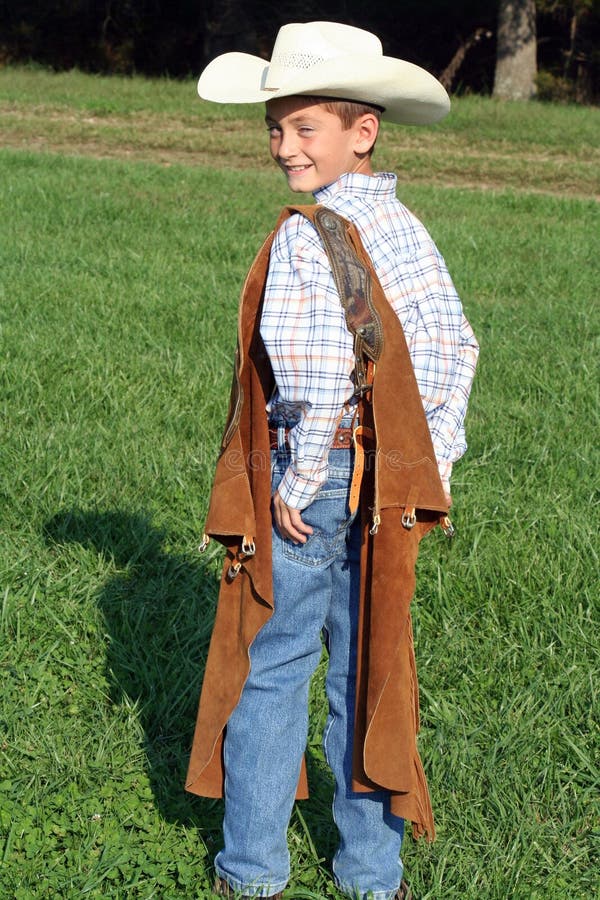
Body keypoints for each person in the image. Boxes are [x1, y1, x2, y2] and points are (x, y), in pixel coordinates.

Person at [186, 21, 479, 900]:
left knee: (273, 667)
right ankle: (370, 878)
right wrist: (430, 470)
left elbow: (312, 370)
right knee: (371, 673)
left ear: (364, 131)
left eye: (304, 127)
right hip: (387, 487)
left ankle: (252, 872)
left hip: (312, 488)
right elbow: (456, 348)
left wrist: (301, 477)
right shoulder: (405, 228)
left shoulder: (303, 236)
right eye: (275, 127)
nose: (284, 146)